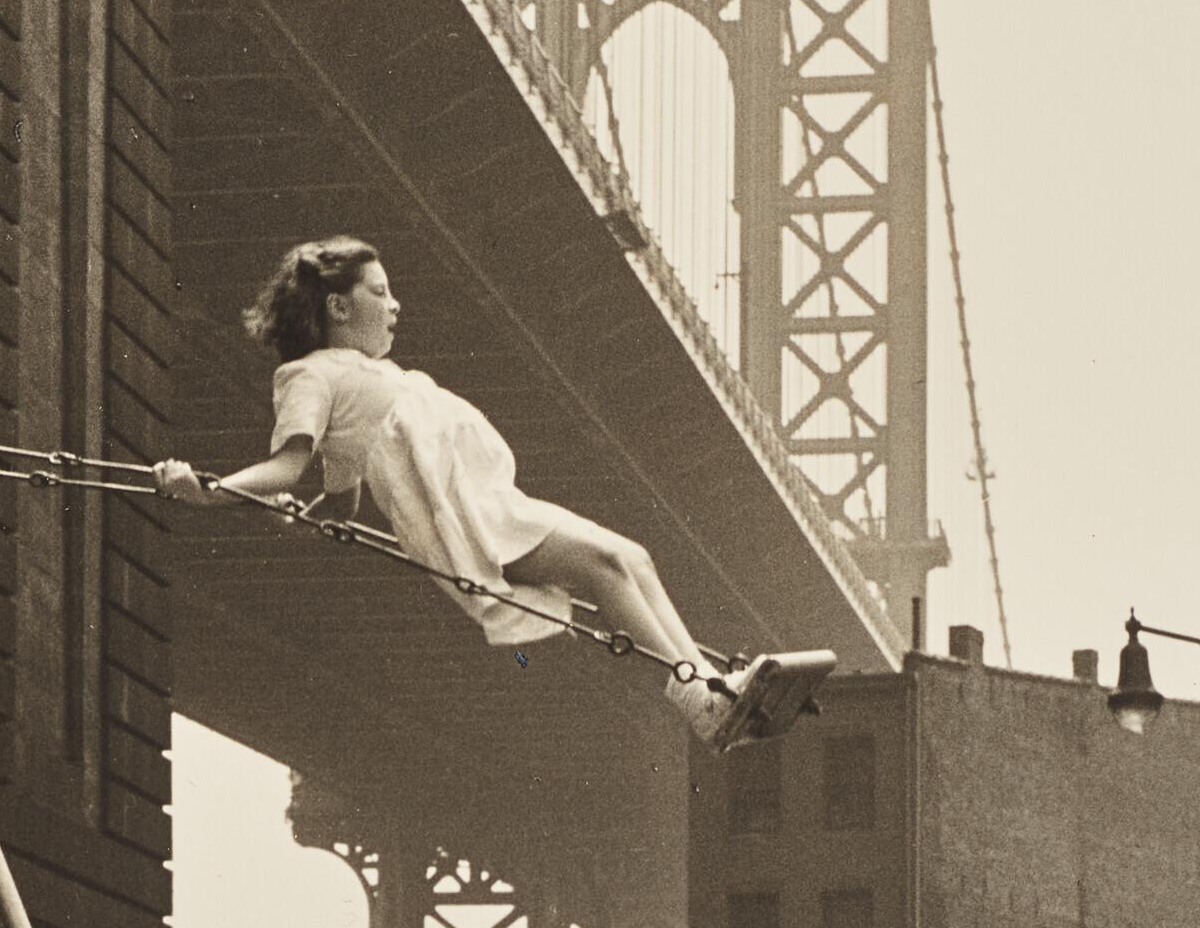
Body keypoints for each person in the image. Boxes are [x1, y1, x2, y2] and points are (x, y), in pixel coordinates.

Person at [153, 235, 832, 751]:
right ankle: (702, 702)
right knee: (607, 565)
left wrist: (316, 517)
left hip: (484, 496)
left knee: (631, 557)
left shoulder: (362, 373)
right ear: (338, 306)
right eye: (380, 292)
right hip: (463, 518)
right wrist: (204, 491)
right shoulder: (309, 375)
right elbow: (285, 464)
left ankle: (712, 689)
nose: (396, 304)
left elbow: (342, 495)